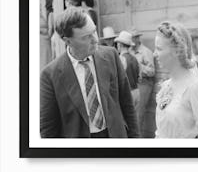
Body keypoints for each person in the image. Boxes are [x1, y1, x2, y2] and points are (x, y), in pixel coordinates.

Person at [40, 7, 140, 138]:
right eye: (86, 37)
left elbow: (127, 104)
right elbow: (48, 130)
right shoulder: (49, 75)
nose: (95, 40)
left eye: (94, 31)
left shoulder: (111, 55)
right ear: (67, 41)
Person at [154, 21, 198, 138]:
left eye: (159, 49)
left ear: (176, 51)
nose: (155, 54)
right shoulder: (166, 86)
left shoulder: (196, 88)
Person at [130, 29, 155, 138]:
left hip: (144, 84)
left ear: (137, 38)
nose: (132, 40)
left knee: (138, 116)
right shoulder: (130, 51)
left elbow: (152, 71)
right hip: (133, 85)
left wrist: (139, 66)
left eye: (134, 37)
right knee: (132, 117)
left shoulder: (146, 52)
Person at [115, 31, 140, 110]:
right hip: (136, 91)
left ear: (119, 45)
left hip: (127, 93)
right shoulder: (134, 58)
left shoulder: (121, 58)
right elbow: (139, 76)